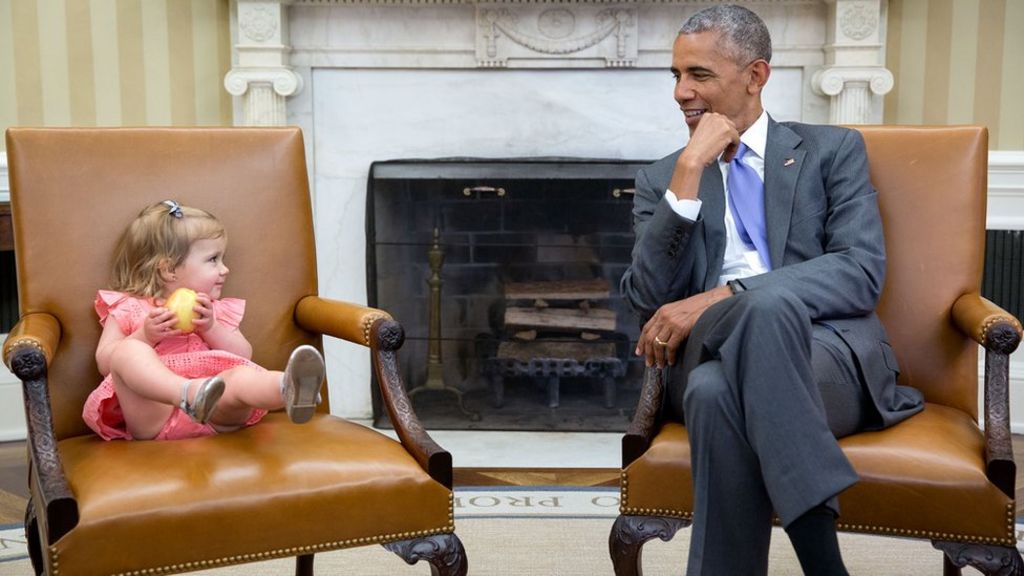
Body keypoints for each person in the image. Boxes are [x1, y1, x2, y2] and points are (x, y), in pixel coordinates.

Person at [620, 5, 924, 575]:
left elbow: (859, 272)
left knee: (720, 384)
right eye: (676, 76)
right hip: (710, 347)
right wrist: (688, 173)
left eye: (700, 75)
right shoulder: (661, 179)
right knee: (747, 329)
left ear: (756, 75)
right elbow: (648, 299)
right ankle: (825, 566)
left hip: (827, 361)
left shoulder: (832, 151)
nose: (682, 93)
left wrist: (726, 293)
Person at [83, 200, 324, 441]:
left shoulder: (213, 310)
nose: (225, 269)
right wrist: (145, 336)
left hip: (216, 413)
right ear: (169, 270)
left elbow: (243, 354)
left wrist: (211, 327)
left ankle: (288, 387)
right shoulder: (130, 307)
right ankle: (189, 393)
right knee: (128, 351)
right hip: (156, 417)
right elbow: (106, 362)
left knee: (239, 377)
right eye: (213, 259)